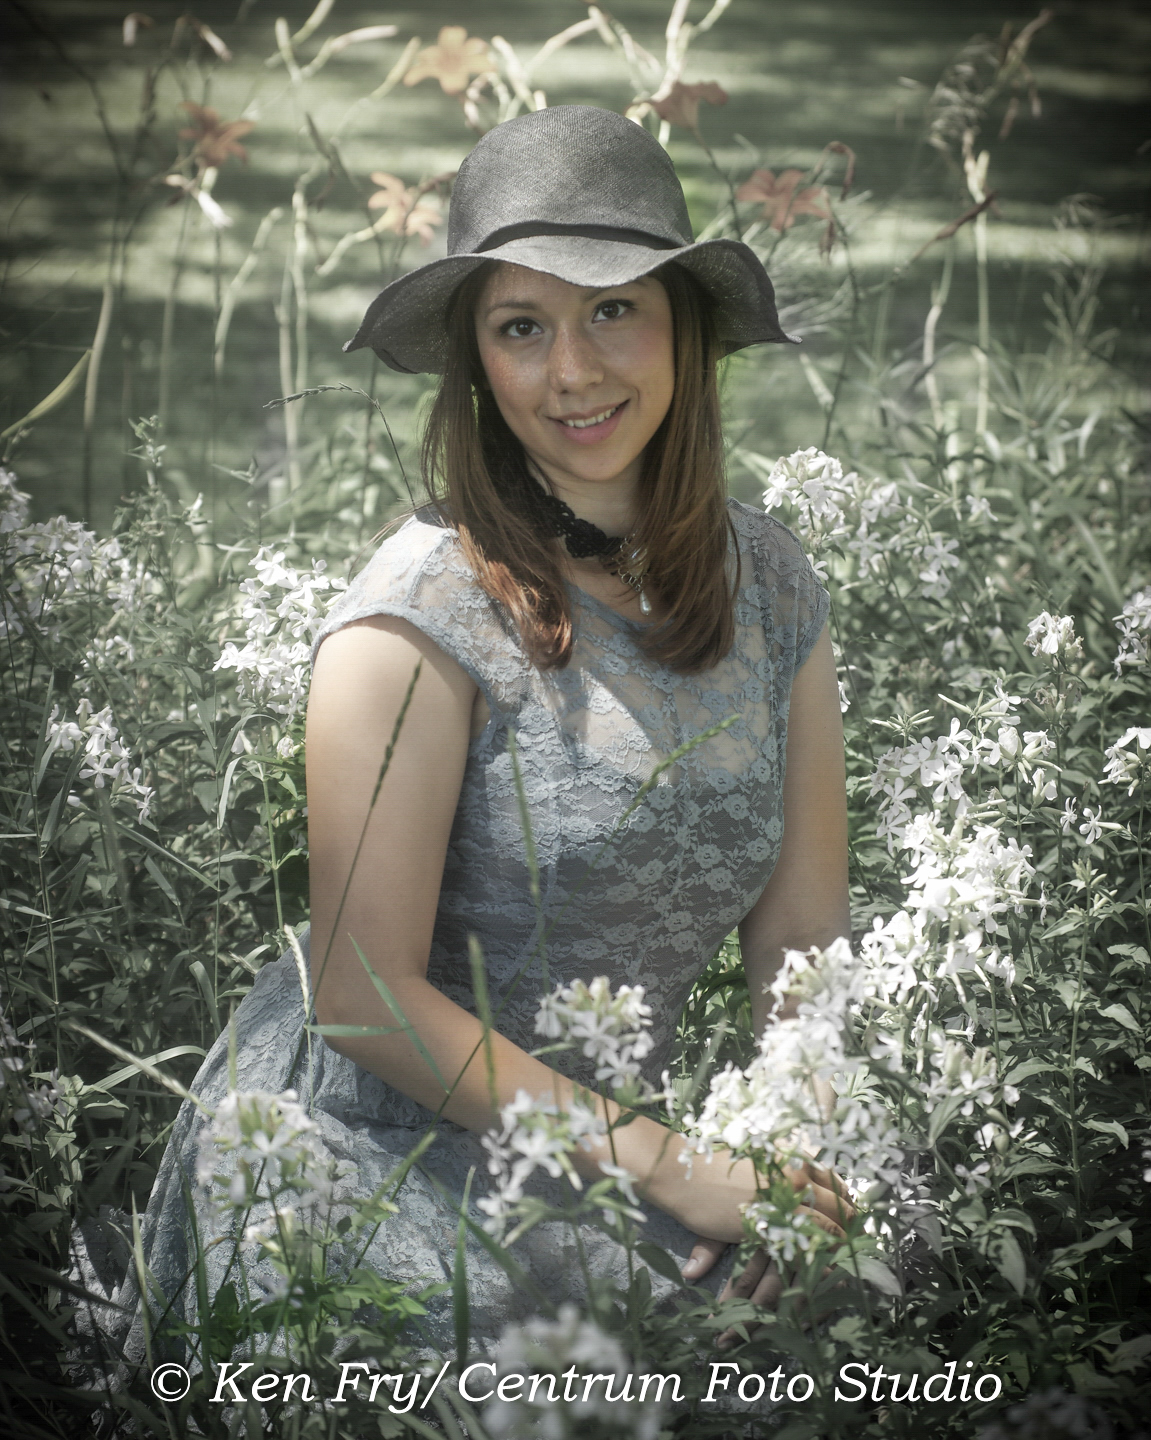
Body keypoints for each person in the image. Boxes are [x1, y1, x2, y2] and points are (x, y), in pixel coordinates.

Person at [97, 104, 852, 1358]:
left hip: (625, 1159)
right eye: (522, 326)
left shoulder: (770, 587)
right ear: (476, 362)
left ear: (684, 323)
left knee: (847, 1312)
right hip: (376, 1162)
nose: (573, 371)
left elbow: (806, 946)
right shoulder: (415, 615)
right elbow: (362, 999)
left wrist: (797, 1158)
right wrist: (675, 1167)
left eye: (614, 309)